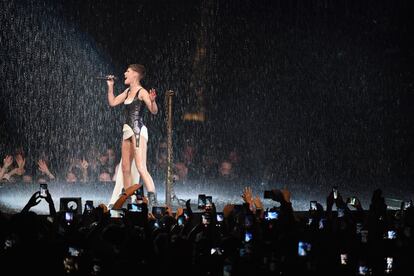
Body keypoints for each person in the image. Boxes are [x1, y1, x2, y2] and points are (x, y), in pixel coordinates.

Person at [106, 64, 158, 208]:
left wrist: (152, 101)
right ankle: (129, 198)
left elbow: (154, 111)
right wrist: (110, 86)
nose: (124, 73)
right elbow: (113, 102)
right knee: (125, 167)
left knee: (141, 166)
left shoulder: (142, 92)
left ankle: (153, 198)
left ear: (135, 74)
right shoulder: (128, 91)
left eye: (127, 71)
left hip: (138, 131)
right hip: (127, 131)